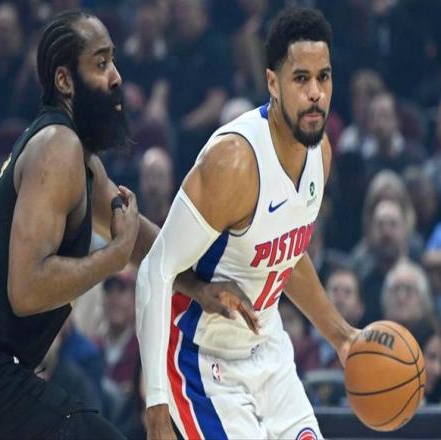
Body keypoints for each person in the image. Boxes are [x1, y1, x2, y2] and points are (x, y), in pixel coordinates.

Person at [0, 9, 254, 439]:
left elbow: (136, 237)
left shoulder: (78, 158)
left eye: (114, 61)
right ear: (65, 81)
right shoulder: (58, 147)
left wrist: (199, 286)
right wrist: (111, 259)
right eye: (101, 63)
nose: (117, 77)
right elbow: (27, 289)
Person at [137, 7, 359, 440]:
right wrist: (157, 404)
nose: (316, 93)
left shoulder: (321, 153)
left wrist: (342, 337)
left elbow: (287, 257)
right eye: (301, 79)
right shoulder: (233, 162)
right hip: (203, 364)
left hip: (268, 351)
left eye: (324, 77)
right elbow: (154, 270)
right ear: (272, 83)